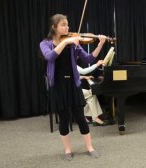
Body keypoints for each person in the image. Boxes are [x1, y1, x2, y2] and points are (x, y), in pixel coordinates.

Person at [39, 14, 106, 160]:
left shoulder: (73, 44)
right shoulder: (45, 43)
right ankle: (67, 150)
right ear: (54, 27)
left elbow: (88, 58)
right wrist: (67, 41)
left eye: (67, 25)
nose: (67, 27)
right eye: (63, 25)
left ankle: (90, 147)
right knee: (64, 119)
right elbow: (50, 56)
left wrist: (100, 44)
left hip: (73, 84)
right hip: (58, 86)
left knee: (80, 117)